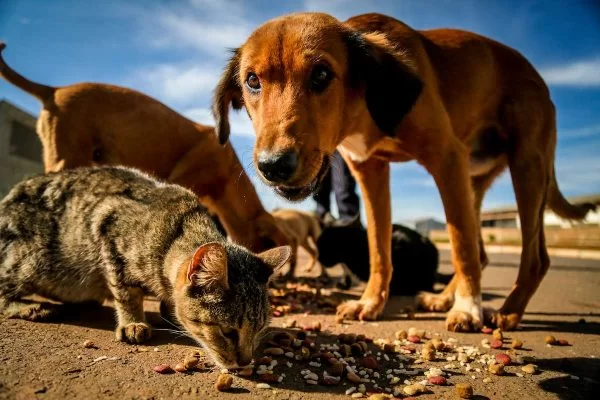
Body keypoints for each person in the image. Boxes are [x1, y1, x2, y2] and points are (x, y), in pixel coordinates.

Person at [313, 150, 360, 223]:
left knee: (343, 185)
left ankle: (348, 221)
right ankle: (322, 217)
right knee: (320, 184)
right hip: (320, 146)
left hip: (341, 146)